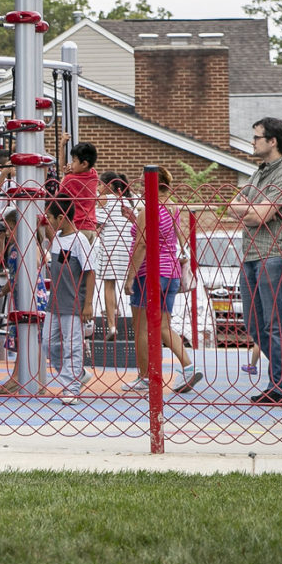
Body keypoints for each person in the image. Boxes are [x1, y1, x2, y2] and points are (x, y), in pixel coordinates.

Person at [227, 117, 282, 402]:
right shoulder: (258, 173)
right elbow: (232, 206)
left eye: (257, 137)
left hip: (274, 253)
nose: (253, 141)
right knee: (252, 322)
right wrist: (249, 208)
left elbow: (260, 215)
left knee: (275, 322)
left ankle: (281, 386)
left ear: (273, 141)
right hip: (251, 252)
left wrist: (248, 209)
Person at [127, 165, 203, 394]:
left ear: (154, 185)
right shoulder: (172, 208)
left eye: (143, 183)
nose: (140, 187)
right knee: (164, 326)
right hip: (171, 274)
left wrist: (129, 277)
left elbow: (142, 244)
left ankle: (145, 376)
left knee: (141, 326)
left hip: (149, 273)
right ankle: (188, 367)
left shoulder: (148, 210)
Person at [40, 194, 95, 404]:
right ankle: (77, 374)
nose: (48, 221)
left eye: (51, 217)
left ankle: (71, 386)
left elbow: (90, 272)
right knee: (48, 343)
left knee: (72, 345)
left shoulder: (80, 240)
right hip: (54, 302)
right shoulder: (56, 239)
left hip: (73, 303)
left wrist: (88, 303)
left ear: (61, 217)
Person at [93, 172, 134, 334]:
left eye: (100, 185)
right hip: (126, 244)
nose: (98, 189)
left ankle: (112, 325)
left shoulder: (105, 200)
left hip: (111, 245)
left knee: (108, 285)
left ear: (108, 186)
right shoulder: (126, 201)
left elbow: (97, 222)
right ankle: (120, 310)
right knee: (127, 282)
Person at [60, 142, 100, 240]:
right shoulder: (94, 175)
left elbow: (59, 197)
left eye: (74, 161)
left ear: (84, 164)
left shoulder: (70, 180)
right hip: (91, 227)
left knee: (70, 255)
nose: (71, 164)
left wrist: (65, 176)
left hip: (76, 226)